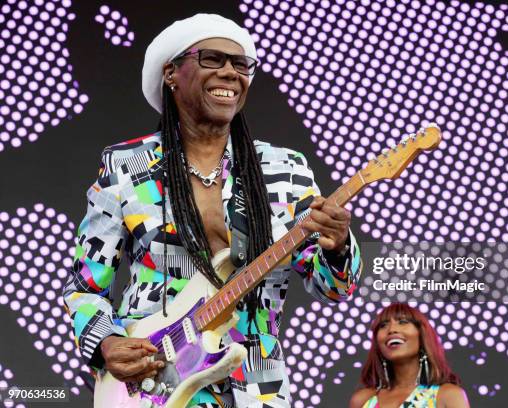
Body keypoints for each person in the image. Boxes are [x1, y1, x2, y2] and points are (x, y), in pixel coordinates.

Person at [62, 13, 361, 408]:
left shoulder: (284, 170)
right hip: (153, 382)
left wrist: (338, 245)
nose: (230, 73)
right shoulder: (126, 166)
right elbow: (85, 289)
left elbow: (335, 287)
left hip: (257, 385)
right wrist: (106, 342)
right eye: (212, 59)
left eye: (241, 65)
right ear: (171, 73)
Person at [349, 303, 469, 408]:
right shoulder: (362, 400)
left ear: (421, 335)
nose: (392, 329)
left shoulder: (448, 395)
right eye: (383, 325)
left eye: (403, 322)